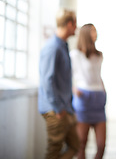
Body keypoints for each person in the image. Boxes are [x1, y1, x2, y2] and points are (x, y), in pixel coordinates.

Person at [38, 8, 79, 159]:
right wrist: (58, 108)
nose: (76, 27)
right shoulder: (53, 47)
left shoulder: (62, 45)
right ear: (69, 24)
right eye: (75, 23)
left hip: (65, 108)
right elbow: (47, 81)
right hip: (55, 110)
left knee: (75, 145)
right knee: (53, 151)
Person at [70, 23, 107, 159]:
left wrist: (104, 91)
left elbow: (98, 76)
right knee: (82, 142)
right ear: (85, 34)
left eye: (96, 31)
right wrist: (74, 89)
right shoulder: (75, 55)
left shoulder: (99, 55)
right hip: (83, 98)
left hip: (99, 98)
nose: (95, 34)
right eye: (92, 31)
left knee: (101, 144)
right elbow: (69, 76)